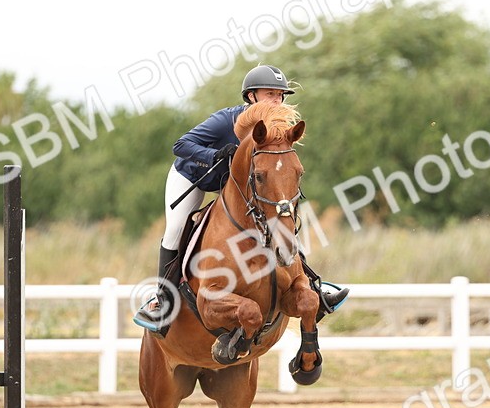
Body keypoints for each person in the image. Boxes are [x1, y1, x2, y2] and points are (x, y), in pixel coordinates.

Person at [134, 64, 349, 331]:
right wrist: (213, 155)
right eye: (270, 93)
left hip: (233, 186)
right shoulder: (227, 120)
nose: (277, 100)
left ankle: (313, 286)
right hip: (195, 177)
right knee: (176, 228)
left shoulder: (277, 130)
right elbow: (180, 145)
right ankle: (162, 301)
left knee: (280, 219)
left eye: (280, 95)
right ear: (251, 97)